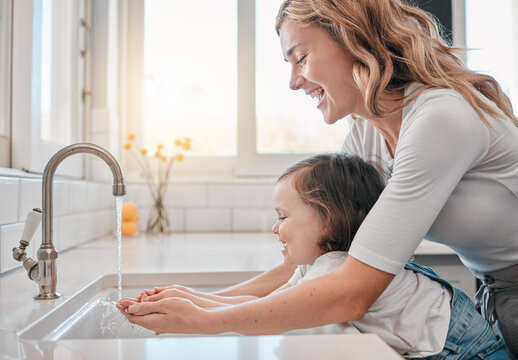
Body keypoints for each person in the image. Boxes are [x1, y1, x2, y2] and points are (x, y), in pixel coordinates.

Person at [118, 0, 518, 357]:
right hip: (494, 290)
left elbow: (353, 292)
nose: (294, 81)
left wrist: (203, 320)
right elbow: (328, 257)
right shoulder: (368, 131)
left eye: (300, 57)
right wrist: (204, 300)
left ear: (352, 39)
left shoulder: (439, 116)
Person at [119, 153, 507, 358]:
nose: (276, 228)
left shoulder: (336, 268)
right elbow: (267, 302)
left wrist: (200, 319)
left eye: (283, 217)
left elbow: (273, 319)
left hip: (470, 353)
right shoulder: (321, 265)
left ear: (329, 220)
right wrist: (190, 298)